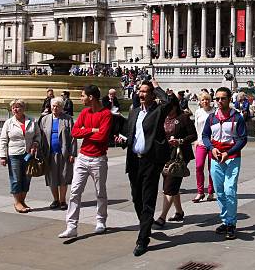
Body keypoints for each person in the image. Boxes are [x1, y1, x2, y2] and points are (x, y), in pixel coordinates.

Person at [122, 79, 172, 257]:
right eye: (140, 91)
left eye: (145, 91)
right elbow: (132, 135)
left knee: (148, 200)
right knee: (136, 199)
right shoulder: (134, 112)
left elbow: (169, 101)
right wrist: (124, 141)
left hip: (151, 161)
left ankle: (143, 239)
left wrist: (157, 87)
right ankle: (145, 224)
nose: (141, 94)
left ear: (151, 95)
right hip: (134, 161)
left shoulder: (158, 111)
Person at [58, 85, 112, 238]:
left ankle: (101, 221)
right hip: (82, 157)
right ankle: (71, 226)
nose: (80, 99)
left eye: (82, 96)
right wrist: (92, 130)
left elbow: (102, 137)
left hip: (98, 159)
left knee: (100, 192)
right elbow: (74, 132)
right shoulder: (84, 112)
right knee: (75, 191)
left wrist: (86, 132)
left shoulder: (106, 114)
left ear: (91, 97)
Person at [202, 86, 248, 240]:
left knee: (230, 190)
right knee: (219, 191)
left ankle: (231, 224)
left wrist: (228, 153)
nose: (219, 101)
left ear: (229, 99)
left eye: (223, 98)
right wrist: (211, 148)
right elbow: (205, 136)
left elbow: (242, 139)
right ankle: (225, 220)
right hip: (215, 157)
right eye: (217, 98)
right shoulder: (211, 118)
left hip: (232, 157)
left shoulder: (237, 117)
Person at [153, 95, 197, 228]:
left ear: (173, 106)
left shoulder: (183, 117)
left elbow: (193, 135)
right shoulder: (162, 117)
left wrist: (181, 141)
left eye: (167, 105)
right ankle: (179, 212)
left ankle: (162, 217)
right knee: (172, 184)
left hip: (180, 156)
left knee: (169, 186)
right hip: (165, 154)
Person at [0, 99, 41, 214]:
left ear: (23, 108)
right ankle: (17, 202)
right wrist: (3, 156)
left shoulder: (32, 120)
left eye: (18, 107)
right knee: (16, 179)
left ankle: (22, 201)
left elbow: (38, 135)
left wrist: (35, 143)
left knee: (27, 178)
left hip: (29, 154)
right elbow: (3, 140)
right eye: (13, 108)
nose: (15, 110)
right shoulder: (8, 122)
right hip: (14, 154)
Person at [40, 97, 76, 210]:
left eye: (58, 106)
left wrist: (72, 154)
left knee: (63, 177)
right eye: (53, 106)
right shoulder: (44, 119)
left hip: (64, 154)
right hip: (49, 153)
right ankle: (55, 199)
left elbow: (73, 138)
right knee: (52, 178)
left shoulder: (68, 119)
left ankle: (62, 200)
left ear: (62, 107)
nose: (55, 108)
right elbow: (40, 136)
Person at [192, 91, 216, 203]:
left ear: (210, 100)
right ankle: (200, 192)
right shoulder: (198, 112)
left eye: (207, 99)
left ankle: (211, 191)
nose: (205, 101)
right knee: (199, 166)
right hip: (201, 142)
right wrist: (196, 139)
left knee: (212, 168)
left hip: (212, 143)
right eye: (203, 100)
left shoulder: (215, 112)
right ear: (200, 102)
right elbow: (196, 126)